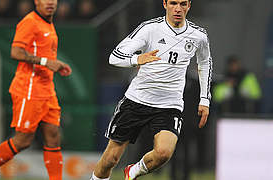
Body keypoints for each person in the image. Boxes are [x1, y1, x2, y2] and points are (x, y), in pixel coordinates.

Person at [90, 0, 213, 180]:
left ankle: (134, 171)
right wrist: (136, 60)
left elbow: (205, 62)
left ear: (189, 6)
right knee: (111, 159)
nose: (177, 8)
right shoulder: (149, 29)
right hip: (136, 101)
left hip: (169, 104)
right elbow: (114, 57)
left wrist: (204, 99)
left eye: (183, 4)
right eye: (173, 3)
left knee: (163, 153)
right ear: (164, 4)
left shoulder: (198, 36)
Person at [0, 0, 72, 180]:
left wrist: (55, 65)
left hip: (47, 90)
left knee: (53, 136)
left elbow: (45, 54)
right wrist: (45, 62)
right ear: (36, 2)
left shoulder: (48, 23)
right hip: (29, 89)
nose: (50, 2)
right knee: (22, 141)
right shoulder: (30, 22)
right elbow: (15, 52)